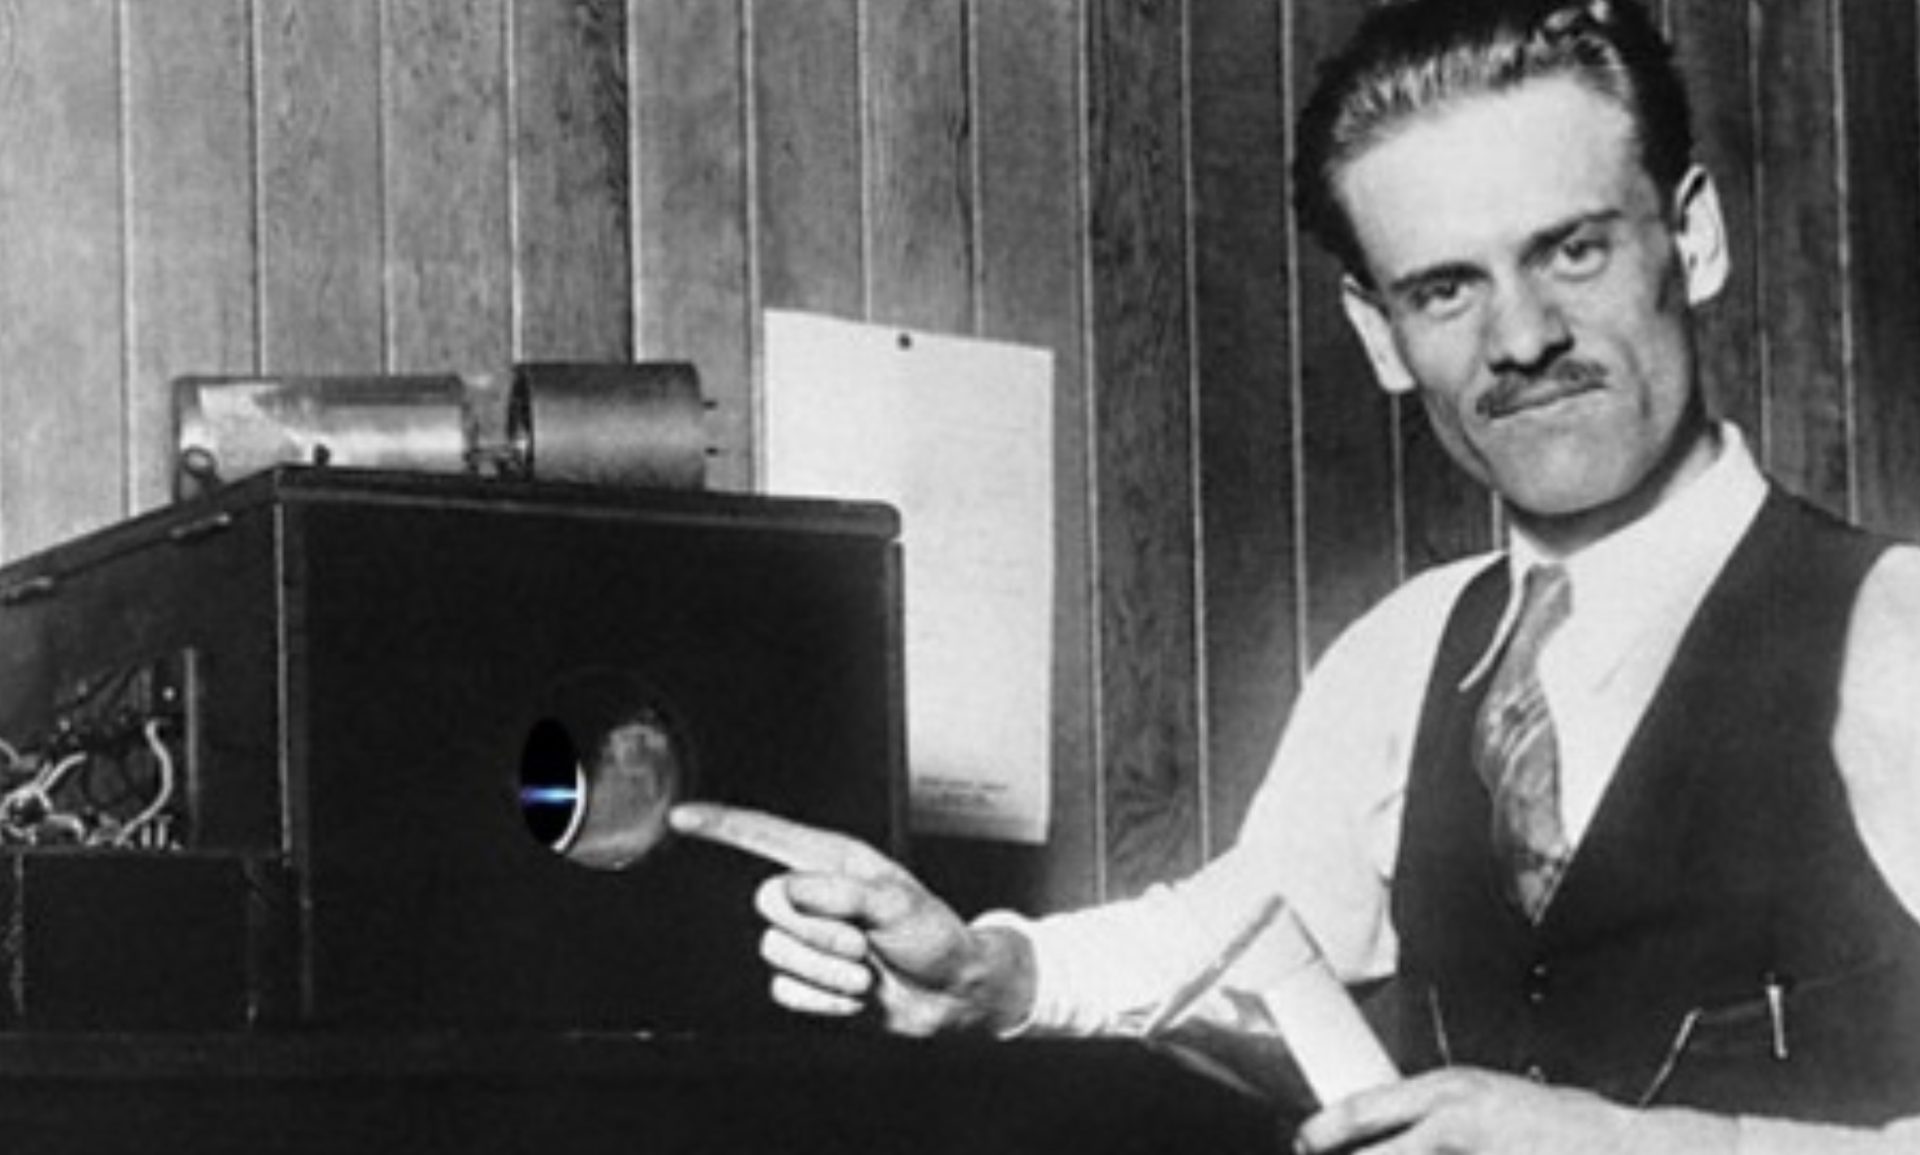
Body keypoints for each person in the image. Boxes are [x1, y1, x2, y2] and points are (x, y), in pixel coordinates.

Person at [670, 0, 1920, 1149]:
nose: (1523, 337)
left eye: (1574, 251)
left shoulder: (1892, 631)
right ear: (1382, 334)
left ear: (1692, 239)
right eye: (1447, 289)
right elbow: (1243, 940)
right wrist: (989, 976)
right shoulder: (1405, 654)